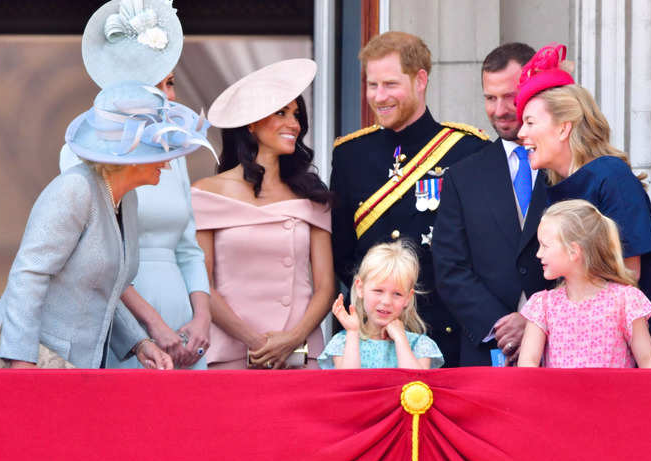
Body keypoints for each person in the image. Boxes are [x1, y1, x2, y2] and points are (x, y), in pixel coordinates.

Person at [0, 81, 211, 368]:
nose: (168, 164)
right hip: (31, 359)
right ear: (129, 157)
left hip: (74, 365)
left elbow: (105, 288)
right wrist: (22, 363)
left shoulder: (127, 200)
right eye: (157, 153)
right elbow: (29, 274)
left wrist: (139, 342)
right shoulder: (75, 189)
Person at [59, 0, 214, 369]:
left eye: (172, 83)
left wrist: (202, 317)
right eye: (163, 85)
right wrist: (151, 325)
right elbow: (95, 256)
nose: (172, 96)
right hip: (123, 324)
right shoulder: (82, 150)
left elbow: (189, 246)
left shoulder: (171, 154)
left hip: (183, 322)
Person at [516, 43, 651, 367]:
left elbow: (628, 273)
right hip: (582, 356)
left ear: (563, 127)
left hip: (647, 348)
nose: (520, 133)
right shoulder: (549, 185)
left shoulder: (610, 176)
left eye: (530, 122)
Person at [330, 31, 489, 367]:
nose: (379, 96)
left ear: (420, 80)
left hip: (445, 331)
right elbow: (343, 253)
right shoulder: (350, 154)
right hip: (373, 334)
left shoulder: (468, 150)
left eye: (390, 84)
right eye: (372, 85)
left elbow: (480, 251)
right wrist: (378, 308)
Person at [192, 58, 335, 369]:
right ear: (251, 123)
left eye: (296, 115)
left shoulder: (312, 195)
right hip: (231, 353)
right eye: (281, 113)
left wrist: (292, 339)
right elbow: (201, 282)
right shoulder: (206, 193)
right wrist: (256, 342)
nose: (294, 124)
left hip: (298, 354)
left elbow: (326, 287)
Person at [433, 43, 551, 367]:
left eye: (510, 96)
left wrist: (537, 321)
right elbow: (449, 267)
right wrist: (503, 325)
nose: (500, 110)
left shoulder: (568, 167)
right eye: (490, 98)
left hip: (566, 345)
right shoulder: (462, 176)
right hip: (490, 351)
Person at [518, 200, 651, 368]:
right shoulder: (542, 305)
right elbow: (527, 367)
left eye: (544, 246)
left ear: (574, 251)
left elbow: (649, 362)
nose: (538, 254)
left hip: (614, 395)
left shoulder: (625, 301)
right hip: (559, 395)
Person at [318, 240, 443, 369]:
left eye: (397, 294)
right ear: (360, 288)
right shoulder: (343, 342)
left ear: (408, 298)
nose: (386, 301)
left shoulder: (419, 345)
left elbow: (416, 384)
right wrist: (353, 332)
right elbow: (348, 384)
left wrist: (401, 339)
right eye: (378, 291)